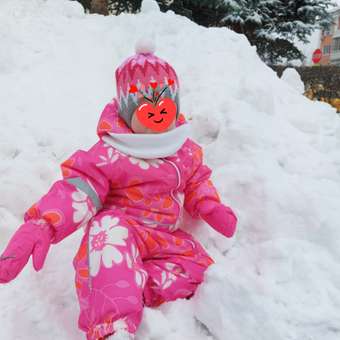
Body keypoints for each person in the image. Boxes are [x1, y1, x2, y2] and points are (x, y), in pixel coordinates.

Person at [0, 41, 238, 340]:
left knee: (200, 270)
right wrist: (44, 222)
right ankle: (112, 327)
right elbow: (79, 188)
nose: (156, 110)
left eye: (165, 100)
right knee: (107, 231)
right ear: (126, 110)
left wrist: (207, 204)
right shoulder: (109, 153)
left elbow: (197, 178)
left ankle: (129, 283)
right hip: (122, 233)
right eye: (143, 103)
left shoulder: (184, 149)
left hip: (164, 237)